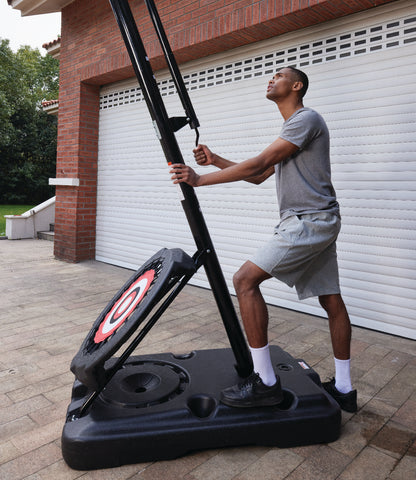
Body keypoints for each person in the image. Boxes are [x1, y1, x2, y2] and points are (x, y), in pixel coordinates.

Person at [170, 66, 357, 413]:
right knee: (331, 301)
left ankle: (266, 383)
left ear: (297, 86)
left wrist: (199, 179)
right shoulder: (293, 129)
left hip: (309, 221)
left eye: (280, 76)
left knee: (244, 280)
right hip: (318, 219)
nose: (271, 79)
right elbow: (261, 174)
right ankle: (345, 389)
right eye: (270, 76)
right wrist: (216, 160)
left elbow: (260, 161)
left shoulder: (306, 119)